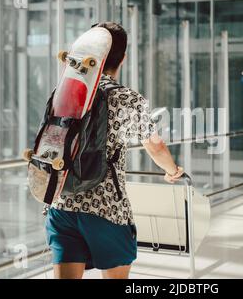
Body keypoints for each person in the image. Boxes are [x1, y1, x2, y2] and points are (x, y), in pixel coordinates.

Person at [45, 22, 184, 279]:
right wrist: (173, 171)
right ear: (123, 58)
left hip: (61, 203)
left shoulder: (62, 91)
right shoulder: (126, 98)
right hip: (106, 207)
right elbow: (154, 145)